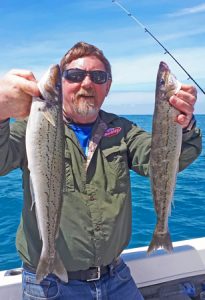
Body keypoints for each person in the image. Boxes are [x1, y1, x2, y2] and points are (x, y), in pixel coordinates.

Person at [0, 42, 202, 300]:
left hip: (116, 277)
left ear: (107, 87)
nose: (87, 83)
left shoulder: (123, 130)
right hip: (50, 284)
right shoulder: (33, 127)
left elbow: (159, 163)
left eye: (98, 77)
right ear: (61, 85)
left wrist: (183, 127)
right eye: (74, 75)